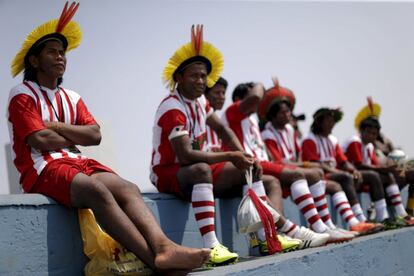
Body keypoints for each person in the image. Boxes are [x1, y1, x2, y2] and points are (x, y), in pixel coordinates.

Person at [7, 3, 210, 275]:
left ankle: (164, 248)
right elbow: (39, 140)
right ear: (34, 60)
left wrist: (56, 126)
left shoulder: (72, 96)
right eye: (52, 52)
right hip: (41, 169)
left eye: (63, 52)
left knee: (127, 188)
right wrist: (68, 133)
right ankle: (157, 263)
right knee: (97, 191)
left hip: (77, 161)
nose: (61, 57)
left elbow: (94, 135)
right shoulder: (21, 93)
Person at [223, 81, 351, 245]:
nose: (259, 101)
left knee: (303, 176)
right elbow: (256, 96)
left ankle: (323, 226)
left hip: (259, 164)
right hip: (251, 165)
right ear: (240, 100)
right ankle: (317, 227)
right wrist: (261, 86)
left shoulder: (254, 120)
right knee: (302, 174)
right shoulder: (233, 111)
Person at [259, 88, 379, 235]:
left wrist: (351, 169)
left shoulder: (291, 130)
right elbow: (278, 161)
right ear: (273, 116)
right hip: (285, 172)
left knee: (334, 182)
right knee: (319, 174)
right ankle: (321, 227)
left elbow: (297, 157)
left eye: (288, 111)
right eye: (283, 112)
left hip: (297, 170)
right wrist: (308, 165)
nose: (288, 115)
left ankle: (345, 223)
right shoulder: (269, 133)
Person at [301, 107, 398, 229]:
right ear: (319, 122)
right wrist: (341, 171)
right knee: (345, 177)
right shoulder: (309, 139)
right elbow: (316, 164)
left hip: (335, 174)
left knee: (370, 176)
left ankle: (383, 217)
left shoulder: (332, 139)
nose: (332, 124)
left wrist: (354, 171)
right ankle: (359, 220)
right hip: (319, 176)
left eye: (333, 121)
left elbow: (344, 161)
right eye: (328, 121)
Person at [342, 98, 414, 226]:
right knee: (377, 175)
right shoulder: (354, 141)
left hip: (364, 175)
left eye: (374, 134)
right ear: (361, 131)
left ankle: (404, 213)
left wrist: (390, 168)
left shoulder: (369, 146)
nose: (371, 136)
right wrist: (383, 169)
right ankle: (383, 217)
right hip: (351, 175)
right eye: (368, 132)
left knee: (392, 175)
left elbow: (375, 165)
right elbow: (358, 165)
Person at [204, 76, 228, 152]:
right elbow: (194, 148)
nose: (222, 97)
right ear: (205, 95)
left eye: (223, 93)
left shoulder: (218, 120)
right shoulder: (198, 117)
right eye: (217, 93)